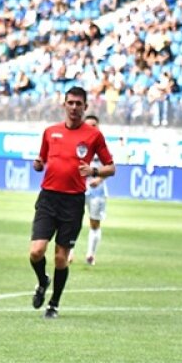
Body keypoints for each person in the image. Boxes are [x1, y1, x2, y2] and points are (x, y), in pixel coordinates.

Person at [29, 86, 115, 319]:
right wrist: (38, 164)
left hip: (73, 201)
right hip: (48, 197)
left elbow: (111, 167)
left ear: (85, 107)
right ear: (64, 105)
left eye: (79, 104)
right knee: (36, 252)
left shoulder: (93, 135)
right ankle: (42, 281)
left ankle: (54, 304)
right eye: (71, 103)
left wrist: (94, 169)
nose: (74, 107)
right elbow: (43, 160)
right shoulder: (50, 132)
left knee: (60, 257)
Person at [82, 113, 109, 265]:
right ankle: (69, 253)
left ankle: (91, 254)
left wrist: (99, 179)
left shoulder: (102, 145)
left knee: (94, 223)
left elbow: (110, 167)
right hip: (78, 188)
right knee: (72, 220)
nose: (91, 128)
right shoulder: (78, 144)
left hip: (97, 191)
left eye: (94, 125)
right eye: (88, 125)